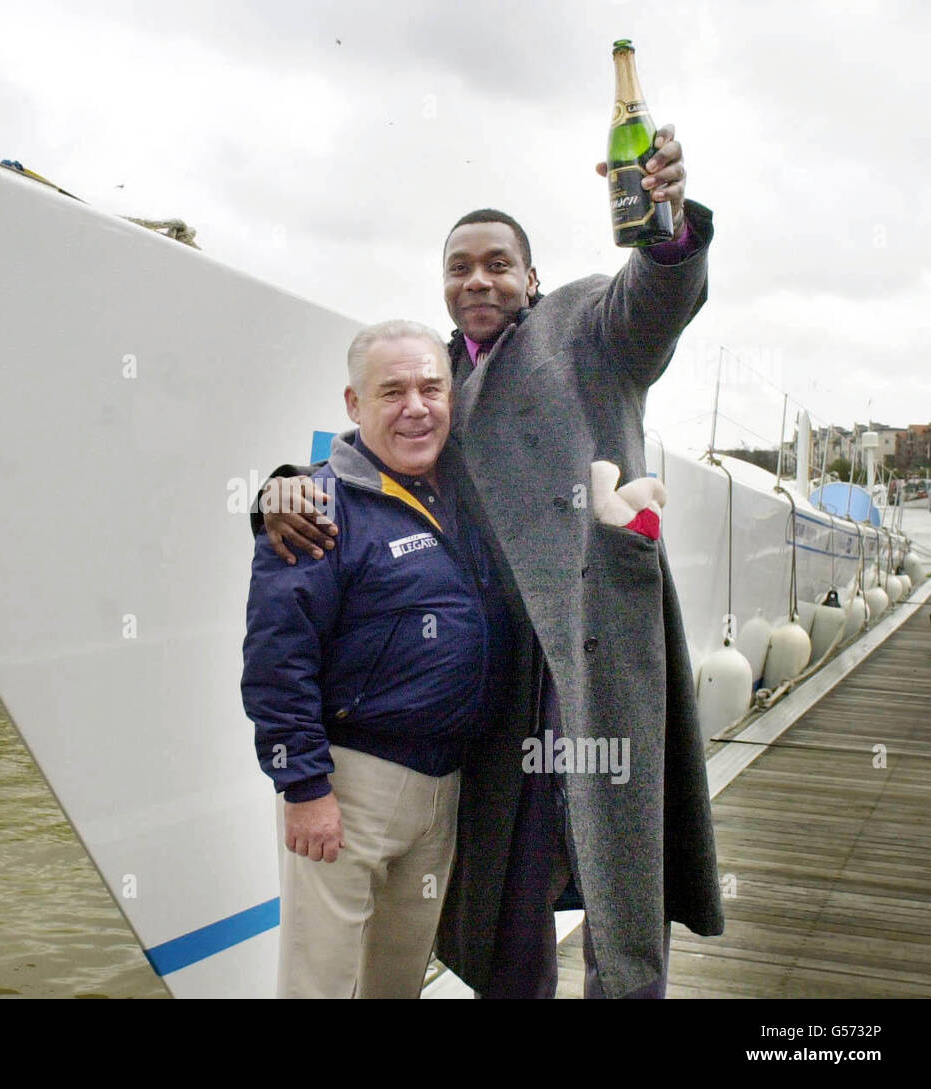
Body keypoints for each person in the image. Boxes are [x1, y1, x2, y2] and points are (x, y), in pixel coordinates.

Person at [254, 127, 724, 998]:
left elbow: (657, 299)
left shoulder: (584, 326)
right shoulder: (440, 382)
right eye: (461, 267)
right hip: (501, 680)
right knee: (509, 895)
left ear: (531, 277)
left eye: (499, 264)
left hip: (591, 656)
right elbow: (373, 467)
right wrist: (284, 487)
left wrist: (664, 230)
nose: (479, 280)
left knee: (621, 880)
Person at [241, 320, 509, 998]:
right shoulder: (314, 507)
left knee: (397, 982)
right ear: (354, 405)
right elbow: (278, 658)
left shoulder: (466, 493)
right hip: (348, 787)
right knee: (320, 981)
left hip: (442, 785)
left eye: (430, 388)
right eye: (391, 392)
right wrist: (303, 787)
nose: (415, 407)